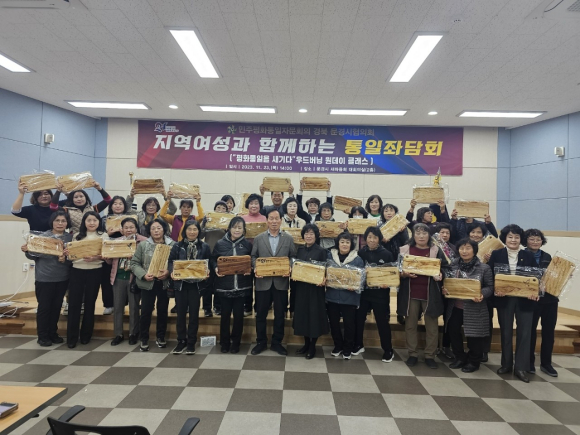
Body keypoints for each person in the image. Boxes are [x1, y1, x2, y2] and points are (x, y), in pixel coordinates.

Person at [487, 224, 539, 383]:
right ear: (505, 238)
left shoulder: (528, 255)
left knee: (525, 333)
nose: (513, 240)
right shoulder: (496, 254)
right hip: (504, 299)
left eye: (517, 237)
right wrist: (496, 290)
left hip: (525, 300)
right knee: (506, 332)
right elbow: (490, 275)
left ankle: (521, 368)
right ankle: (506, 364)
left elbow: (536, 277)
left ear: (521, 239)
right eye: (510, 237)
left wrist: (534, 292)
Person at [398, 223, 447, 369]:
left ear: (429, 235)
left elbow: (445, 267)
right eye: (418, 233)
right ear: (413, 235)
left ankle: (429, 355)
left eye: (424, 233)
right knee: (410, 325)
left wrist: (440, 274)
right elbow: (396, 270)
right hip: (410, 293)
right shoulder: (404, 250)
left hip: (430, 294)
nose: (421, 236)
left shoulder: (435, 250)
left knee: (432, 326)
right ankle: (412, 354)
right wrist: (403, 274)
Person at [21, 210, 72, 346]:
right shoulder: (42, 237)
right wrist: (27, 250)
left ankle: (52, 333)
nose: (60, 223)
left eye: (63, 221)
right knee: (44, 308)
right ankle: (42, 336)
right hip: (44, 278)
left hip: (62, 278)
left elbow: (72, 260)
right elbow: (32, 256)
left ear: (67, 223)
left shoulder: (70, 238)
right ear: (52, 222)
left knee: (56, 307)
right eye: (57, 220)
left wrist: (65, 259)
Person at [443, 238, 494, 373]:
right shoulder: (453, 265)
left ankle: (474, 361)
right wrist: (445, 289)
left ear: (474, 250)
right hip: (455, 306)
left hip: (475, 307)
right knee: (453, 332)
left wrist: (481, 294)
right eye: (461, 248)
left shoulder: (484, 268)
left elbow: (490, 287)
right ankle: (459, 357)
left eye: (468, 248)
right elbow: (447, 282)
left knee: (474, 335)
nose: (464, 251)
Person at [250, 208, 296, 356]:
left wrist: (289, 266)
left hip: (280, 282)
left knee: (280, 314)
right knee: (260, 314)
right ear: (267, 220)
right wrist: (256, 267)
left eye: (277, 219)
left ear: (281, 220)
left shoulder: (288, 238)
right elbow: (253, 257)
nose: (274, 221)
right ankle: (261, 342)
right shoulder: (259, 238)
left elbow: (293, 256)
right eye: (271, 218)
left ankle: (277, 343)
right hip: (263, 282)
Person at [65, 211, 109, 348]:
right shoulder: (77, 235)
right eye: (89, 220)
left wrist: (95, 257)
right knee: (74, 304)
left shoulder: (103, 235)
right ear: (84, 222)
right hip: (77, 270)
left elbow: (107, 254)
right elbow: (71, 255)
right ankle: (71, 337)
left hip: (95, 271)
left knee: (90, 303)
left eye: (94, 220)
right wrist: (67, 253)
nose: (92, 223)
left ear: (99, 222)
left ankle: (86, 335)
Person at [130, 218, 176, 352]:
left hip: (164, 283)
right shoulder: (143, 245)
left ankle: (161, 337)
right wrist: (143, 275)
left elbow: (176, 263)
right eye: (153, 228)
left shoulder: (173, 245)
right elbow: (134, 263)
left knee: (162, 311)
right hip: (147, 283)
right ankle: (144, 338)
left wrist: (168, 272)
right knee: (145, 312)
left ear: (164, 229)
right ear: (149, 231)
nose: (156, 231)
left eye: (159, 228)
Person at [168, 221, 211, 355]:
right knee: (180, 314)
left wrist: (207, 271)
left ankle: (191, 342)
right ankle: (181, 341)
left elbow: (208, 262)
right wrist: (172, 272)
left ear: (199, 231)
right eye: (189, 229)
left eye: (195, 229)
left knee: (194, 315)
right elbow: (170, 262)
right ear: (184, 231)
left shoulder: (204, 246)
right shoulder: (177, 246)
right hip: (181, 284)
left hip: (196, 285)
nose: (192, 232)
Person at [212, 217, 253, 354]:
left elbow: (251, 261)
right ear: (229, 228)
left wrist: (250, 268)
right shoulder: (220, 243)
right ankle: (224, 343)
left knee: (238, 317)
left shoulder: (247, 245)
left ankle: (236, 343)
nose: (237, 230)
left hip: (241, 286)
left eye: (240, 228)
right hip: (225, 286)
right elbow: (213, 259)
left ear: (244, 230)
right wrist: (216, 268)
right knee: (225, 316)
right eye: (234, 227)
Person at [355, 227, 395, 362]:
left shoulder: (387, 254)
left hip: (380, 294)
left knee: (382, 322)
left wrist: (387, 283)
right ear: (365, 238)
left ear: (379, 239)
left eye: (375, 237)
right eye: (369, 237)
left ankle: (388, 350)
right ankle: (358, 344)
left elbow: (392, 274)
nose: (372, 240)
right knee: (359, 320)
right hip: (364, 293)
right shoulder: (361, 252)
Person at [106, 217, 147, 346]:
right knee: (118, 307)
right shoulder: (116, 241)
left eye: (131, 227)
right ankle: (118, 334)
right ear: (122, 230)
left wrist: (135, 257)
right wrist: (106, 257)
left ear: (136, 229)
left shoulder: (144, 241)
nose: (129, 230)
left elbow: (147, 261)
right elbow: (110, 261)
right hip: (118, 277)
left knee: (134, 307)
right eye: (126, 227)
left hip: (134, 278)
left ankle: (133, 333)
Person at [292, 223, 329, 359]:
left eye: (311, 233)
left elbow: (325, 270)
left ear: (316, 236)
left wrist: (324, 278)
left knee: (314, 317)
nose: (308, 236)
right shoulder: (300, 250)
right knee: (303, 316)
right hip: (301, 288)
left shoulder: (321, 251)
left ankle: (313, 346)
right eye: (306, 233)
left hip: (315, 290)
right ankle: (306, 344)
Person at [524, 228, 558, 377]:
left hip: (550, 300)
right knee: (530, 332)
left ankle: (546, 364)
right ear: (526, 241)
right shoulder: (521, 255)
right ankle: (529, 362)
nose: (535, 242)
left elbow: (554, 276)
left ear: (542, 241)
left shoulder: (547, 257)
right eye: (532, 239)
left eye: (538, 239)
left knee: (549, 332)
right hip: (530, 299)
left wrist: (563, 276)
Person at [326, 232, 365, 359]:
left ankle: (348, 348)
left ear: (351, 244)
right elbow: (324, 272)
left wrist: (355, 285)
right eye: (342, 242)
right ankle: (338, 346)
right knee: (334, 323)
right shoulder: (330, 256)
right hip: (332, 296)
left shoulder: (357, 259)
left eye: (347, 242)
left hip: (350, 297)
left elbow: (361, 279)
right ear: (338, 243)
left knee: (349, 324)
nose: (344, 244)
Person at [100, 195, 136, 316]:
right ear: (111, 206)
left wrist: (125, 232)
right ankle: (108, 304)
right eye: (115, 203)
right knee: (107, 279)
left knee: (122, 278)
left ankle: (122, 304)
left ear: (124, 206)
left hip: (124, 252)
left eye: (120, 203)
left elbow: (135, 234)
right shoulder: (104, 219)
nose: (118, 206)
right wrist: (107, 233)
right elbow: (99, 235)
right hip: (109, 251)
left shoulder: (129, 219)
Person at [201, 200, 230, 317]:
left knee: (219, 282)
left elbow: (231, 237)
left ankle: (218, 306)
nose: (220, 210)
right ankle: (207, 308)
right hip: (208, 254)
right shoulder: (209, 220)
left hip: (221, 255)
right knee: (207, 283)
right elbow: (200, 235)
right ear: (214, 209)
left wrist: (228, 229)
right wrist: (203, 224)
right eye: (218, 207)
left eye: (223, 208)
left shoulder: (228, 222)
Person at [241, 193, 267, 316]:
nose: (254, 206)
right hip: (245, 252)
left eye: (256, 203)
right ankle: (247, 307)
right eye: (251, 203)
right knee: (246, 281)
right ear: (247, 205)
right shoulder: (242, 219)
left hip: (260, 253)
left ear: (260, 205)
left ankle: (258, 307)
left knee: (260, 282)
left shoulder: (265, 219)